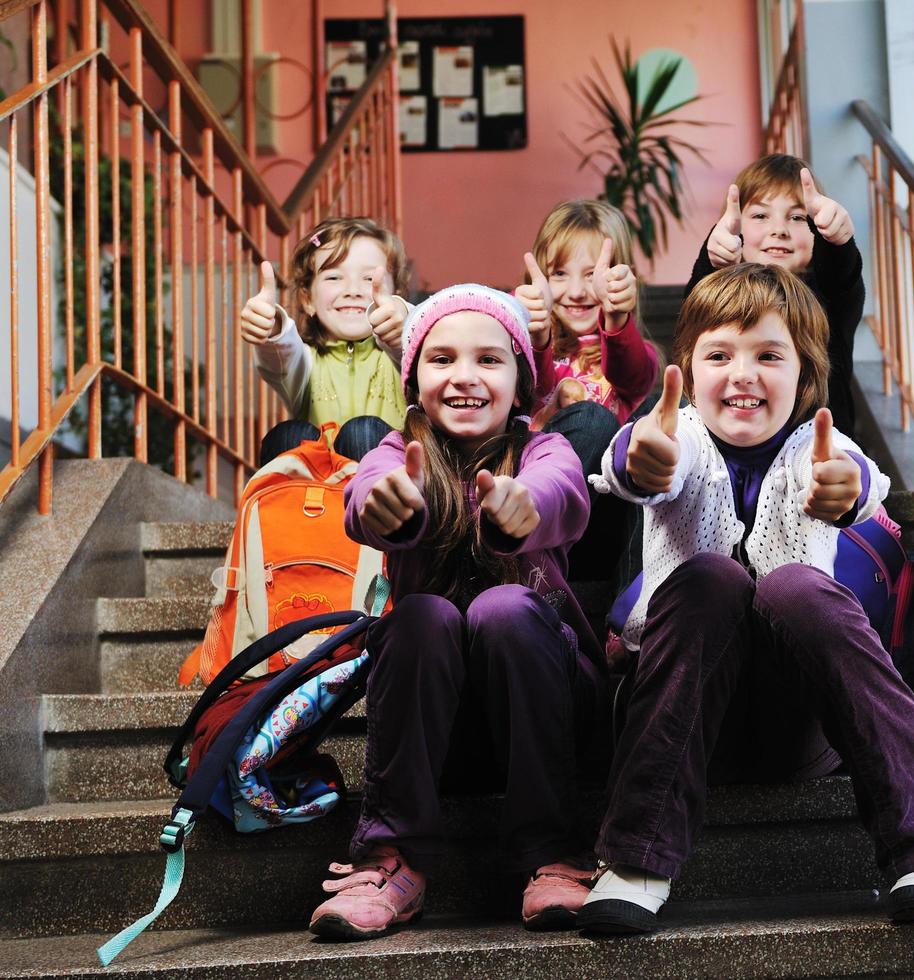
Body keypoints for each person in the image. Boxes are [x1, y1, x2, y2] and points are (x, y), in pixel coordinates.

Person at [579, 264, 914, 935]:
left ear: (805, 374)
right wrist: (636, 460)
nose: (742, 374)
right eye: (719, 355)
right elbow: (643, 460)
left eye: (768, 355)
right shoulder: (678, 437)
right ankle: (636, 856)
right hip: (677, 717)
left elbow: (858, 478)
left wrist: (844, 490)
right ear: (686, 370)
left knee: (794, 585)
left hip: (799, 730)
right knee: (710, 577)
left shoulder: (812, 447)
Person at [312, 285, 609, 939]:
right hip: (440, 729)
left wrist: (520, 507)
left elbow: (564, 494)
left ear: (522, 381)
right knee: (419, 616)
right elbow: (366, 496)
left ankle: (555, 852)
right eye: (441, 359)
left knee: (505, 607)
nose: (465, 376)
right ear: (414, 380)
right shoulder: (397, 454)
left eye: (489, 360)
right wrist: (389, 506)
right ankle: (392, 859)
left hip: (550, 712)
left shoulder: (543, 451)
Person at [687, 154, 864, 435]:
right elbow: (698, 307)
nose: (779, 230)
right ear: (735, 226)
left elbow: (841, 277)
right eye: (760, 215)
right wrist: (713, 260)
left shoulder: (829, 297)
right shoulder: (723, 294)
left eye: (797, 217)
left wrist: (838, 244)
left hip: (822, 460)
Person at [239, 216, 414, 462]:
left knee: (362, 431)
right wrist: (272, 327)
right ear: (307, 299)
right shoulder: (306, 364)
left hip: (386, 489)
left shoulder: (404, 357)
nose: (353, 290)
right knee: (289, 435)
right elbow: (283, 354)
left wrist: (402, 320)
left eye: (369, 279)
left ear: (394, 293)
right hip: (317, 493)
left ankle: (369, 498)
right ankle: (283, 499)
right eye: (334, 277)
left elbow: (412, 349)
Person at [516, 199, 661, 477]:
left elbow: (630, 372)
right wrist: (534, 330)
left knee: (605, 418)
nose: (576, 291)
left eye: (592, 274)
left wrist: (616, 315)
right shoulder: (525, 341)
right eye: (559, 273)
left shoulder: (636, 354)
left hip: (606, 498)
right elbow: (533, 386)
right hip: (538, 486)